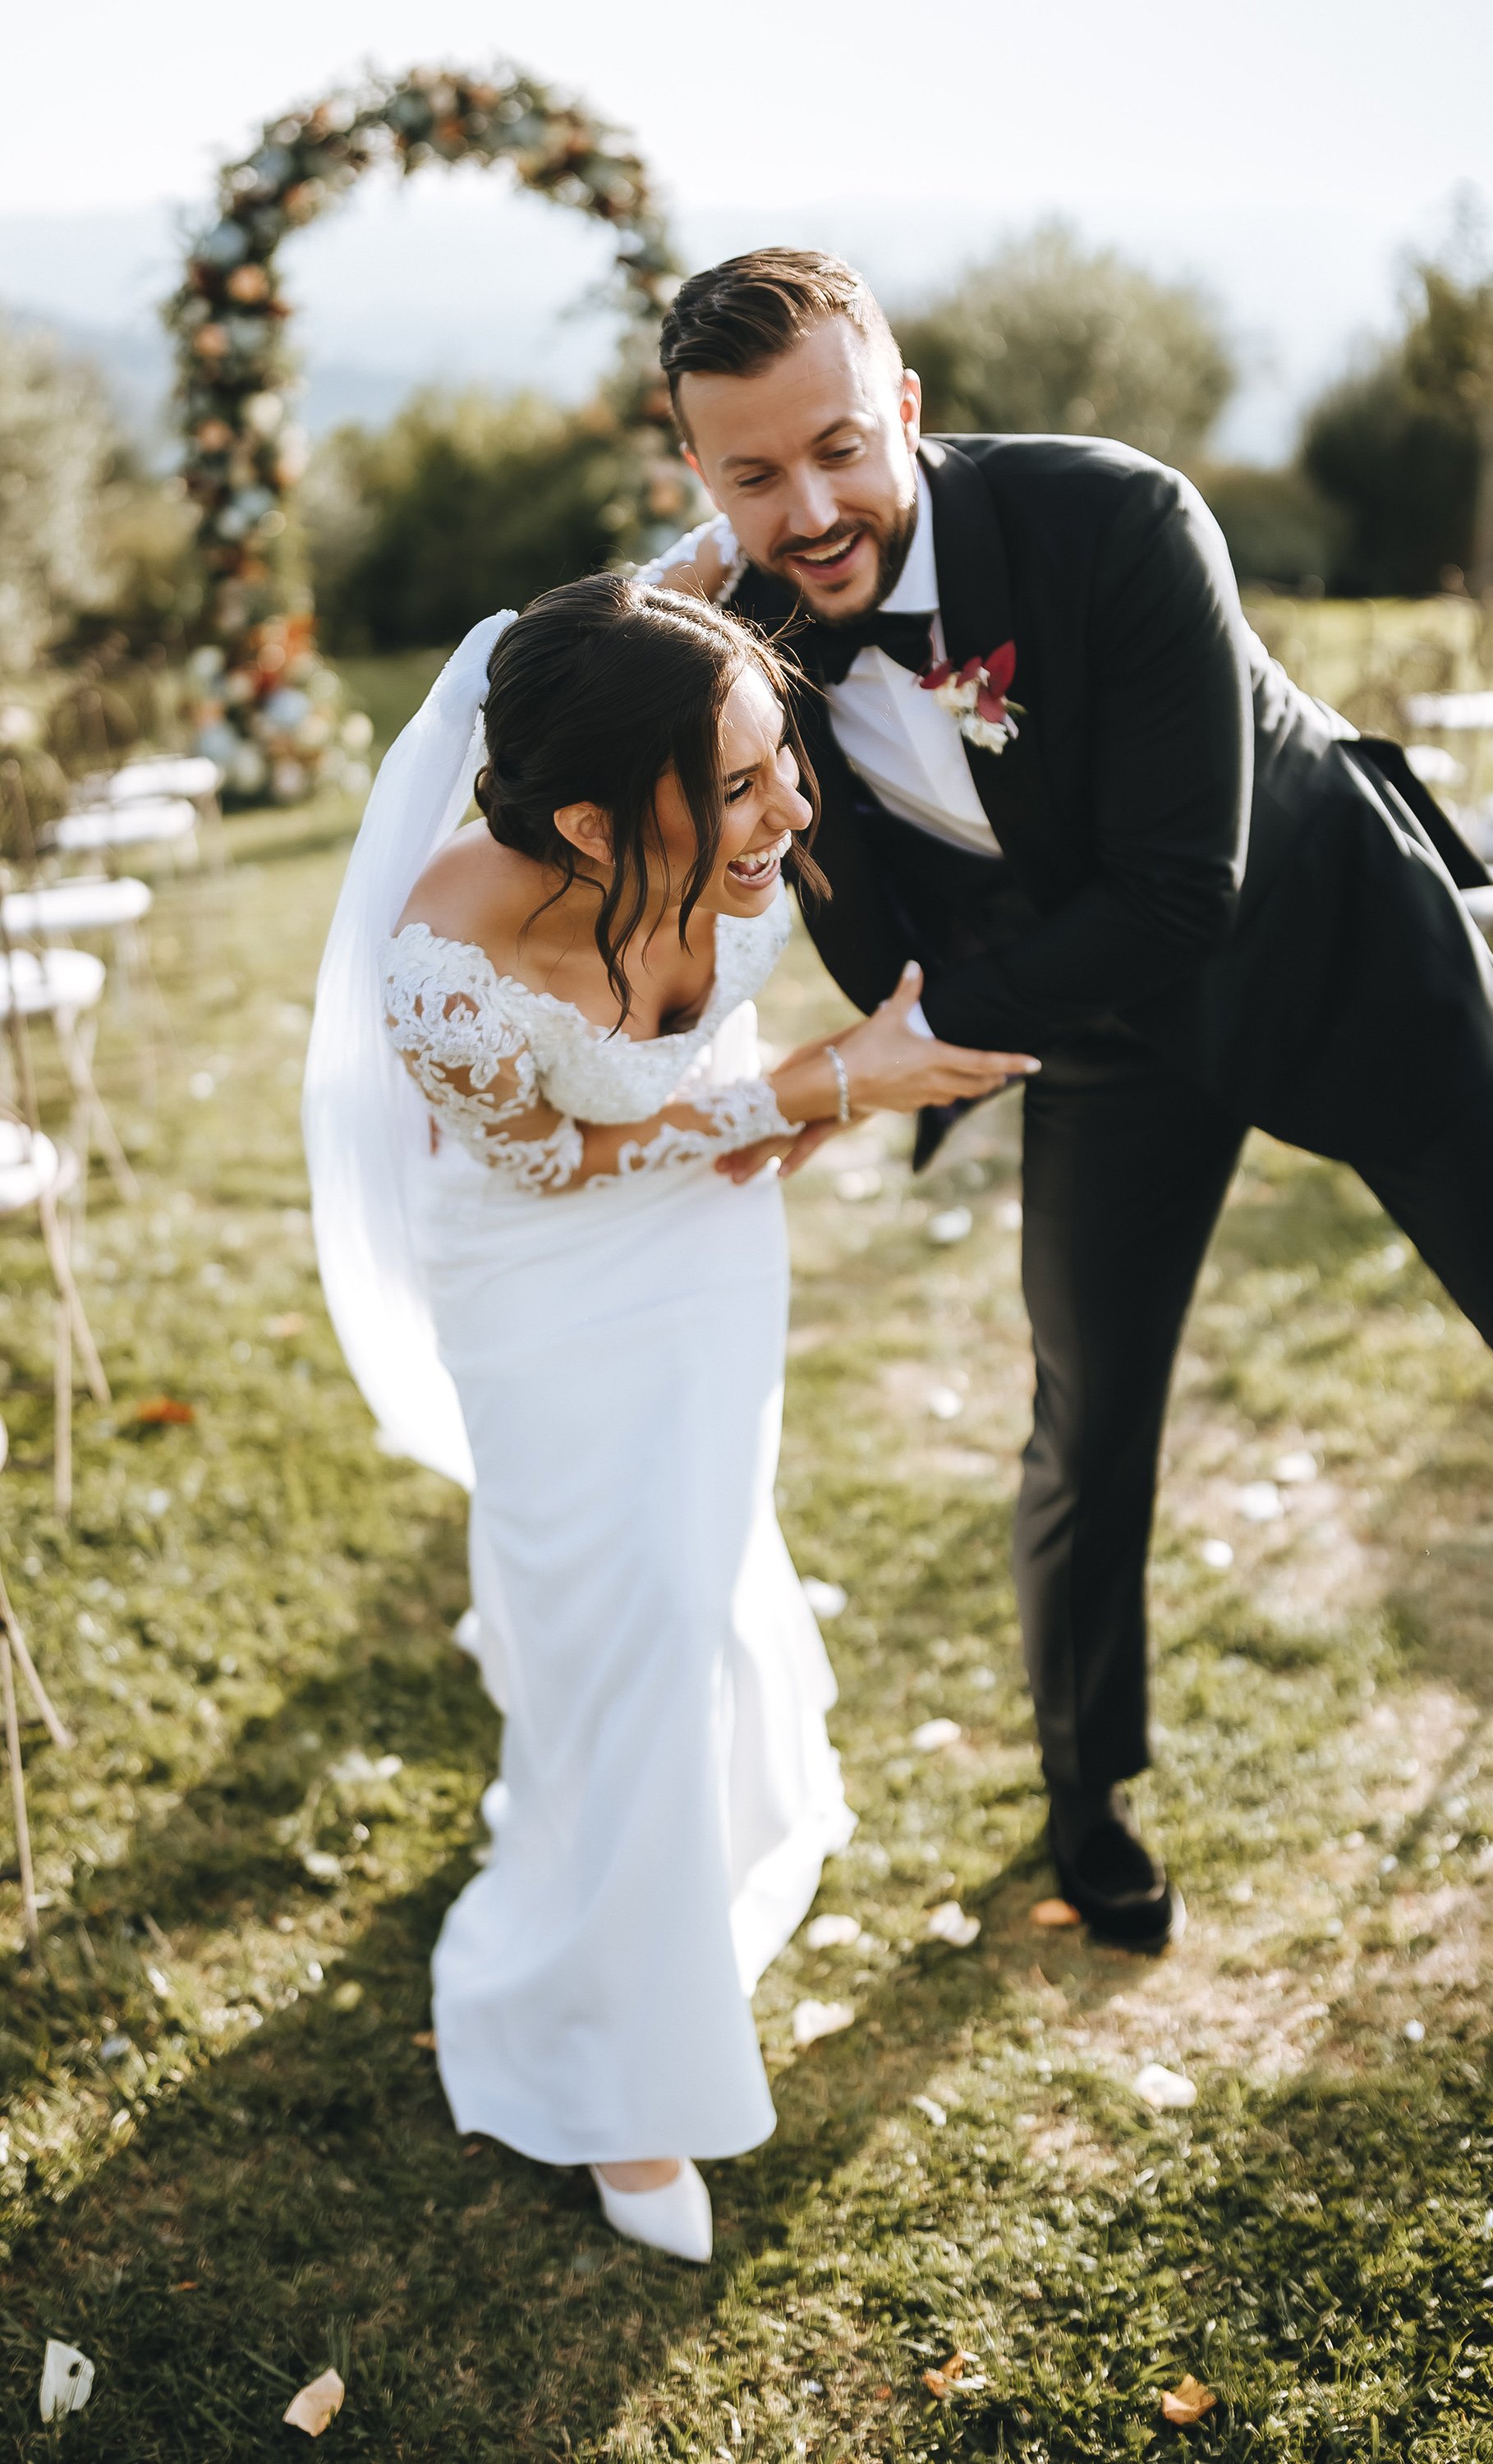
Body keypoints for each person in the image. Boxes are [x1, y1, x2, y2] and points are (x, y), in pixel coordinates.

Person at [642, 246, 1493, 1957]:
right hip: (1096, 1039)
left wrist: (922, 1032)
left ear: (905, 407)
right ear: (699, 479)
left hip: (1343, 960)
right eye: (752, 476)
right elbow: (819, 894)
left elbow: (1185, 887)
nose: (808, 510)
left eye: (837, 449)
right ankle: (1086, 1802)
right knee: (1085, 1428)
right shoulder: (741, 647)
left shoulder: (1121, 518)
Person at [302, 576, 1035, 2260]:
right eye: (738, 788)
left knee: (695, 1583)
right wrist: (825, 1080)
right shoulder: (448, 962)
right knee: (613, 1624)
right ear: (581, 816)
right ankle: (624, 2083)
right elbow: (556, 1160)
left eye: (782, 758)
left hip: (709, 1257)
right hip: (546, 1275)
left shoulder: (710, 748)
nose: (790, 805)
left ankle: (736, 1809)